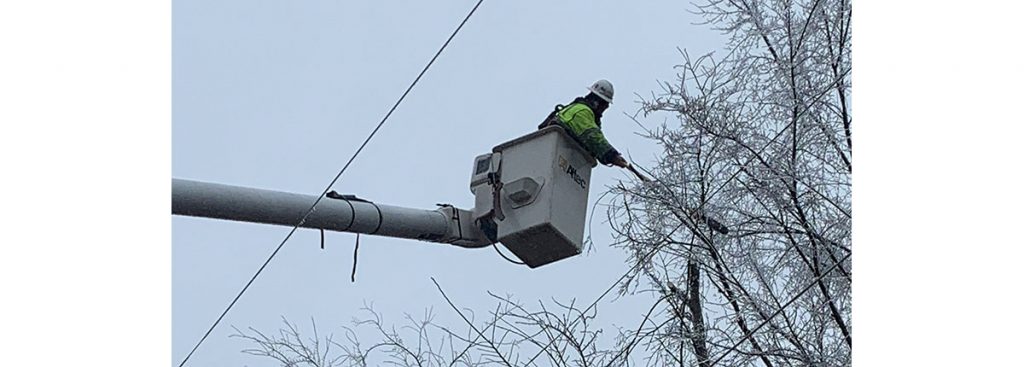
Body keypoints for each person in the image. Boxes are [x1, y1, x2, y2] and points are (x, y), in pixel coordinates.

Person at [539, 79, 629, 168]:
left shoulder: (583, 111)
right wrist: (612, 156)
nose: (605, 108)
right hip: (554, 154)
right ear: (597, 102)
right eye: (604, 104)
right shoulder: (582, 111)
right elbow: (593, 137)